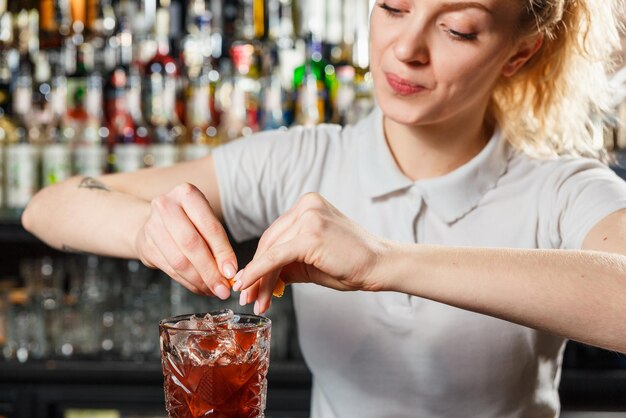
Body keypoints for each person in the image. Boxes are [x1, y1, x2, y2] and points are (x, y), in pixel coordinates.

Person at [22, 0, 626, 416]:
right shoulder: (301, 160)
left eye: (458, 29)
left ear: (519, 53)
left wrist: (383, 262)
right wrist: (148, 228)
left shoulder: (561, 189)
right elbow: (49, 206)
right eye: (393, 6)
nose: (406, 48)